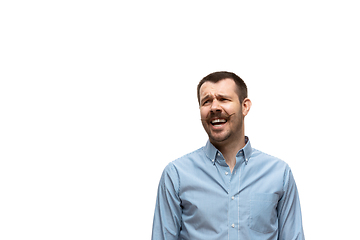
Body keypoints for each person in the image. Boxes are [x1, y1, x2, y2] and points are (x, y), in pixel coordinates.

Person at [151, 71, 305, 240]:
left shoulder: (278, 173)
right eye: (206, 101)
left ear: (245, 106)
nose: (214, 107)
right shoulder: (177, 174)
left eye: (223, 99)